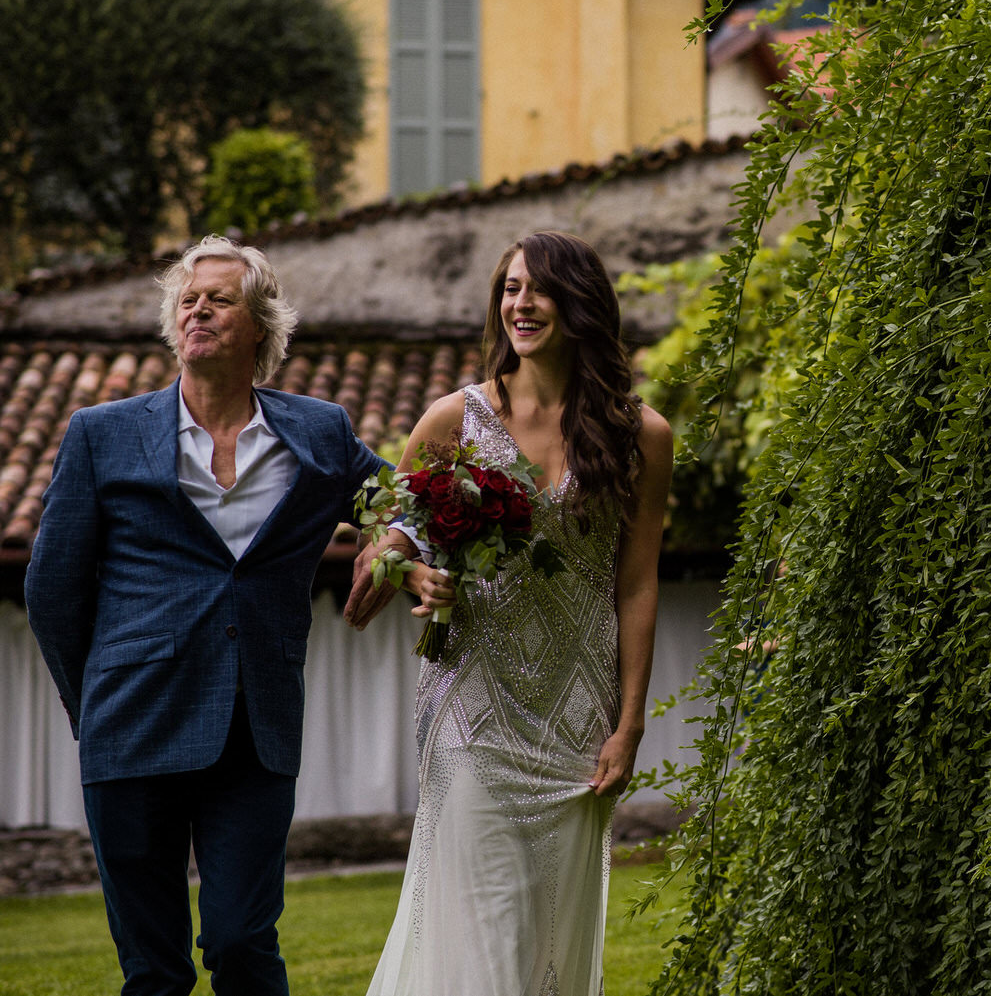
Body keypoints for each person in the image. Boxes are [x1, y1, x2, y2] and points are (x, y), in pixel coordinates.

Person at [25, 236, 388, 996]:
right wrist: (89, 702)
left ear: (261, 325)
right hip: (129, 727)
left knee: (241, 939)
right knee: (153, 969)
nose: (197, 309)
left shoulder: (319, 432)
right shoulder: (102, 432)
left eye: (218, 298)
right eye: (187, 299)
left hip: (254, 730)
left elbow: (403, 499)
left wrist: (390, 545)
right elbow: (52, 589)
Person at [343, 230, 672, 996]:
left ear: (581, 303)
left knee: (545, 929)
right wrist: (417, 573)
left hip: (576, 712)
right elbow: (389, 541)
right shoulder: (452, 420)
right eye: (510, 288)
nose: (520, 303)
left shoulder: (640, 436)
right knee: (479, 924)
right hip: (473, 702)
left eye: (539, 287)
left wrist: (629, 724)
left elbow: (637, 584)